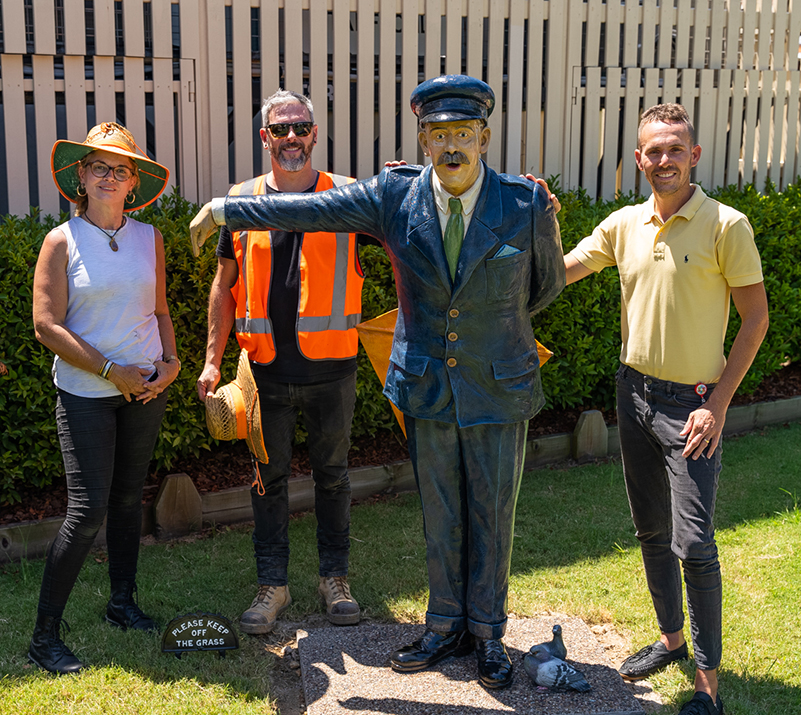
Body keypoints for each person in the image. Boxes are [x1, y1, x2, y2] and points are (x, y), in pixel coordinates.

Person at [190, 75, 565, 689]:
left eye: (462, 134)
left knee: (492, 513)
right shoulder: (395, 197)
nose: (451, 147)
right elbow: (309, 208)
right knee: (440, 512)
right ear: (422, 138)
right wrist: (230, 208)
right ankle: (445, 626)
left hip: (498, 383)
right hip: (425, 385)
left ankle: (489, 633)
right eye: (438, 134)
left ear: (485, 136)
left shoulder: (524, 204)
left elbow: (543, 287)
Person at [563, 103, 768, 715]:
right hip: (634, 396)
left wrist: (720, 406)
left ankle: (708, 685)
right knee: (650, 529)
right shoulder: (623, 224)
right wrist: (539, 216)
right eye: (653, 151)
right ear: (638, 159)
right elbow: (563, 269)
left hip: (694, 409)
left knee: (696, 542)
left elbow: (756, 319)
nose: (663, 160)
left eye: (674, 149)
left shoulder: (726, 225)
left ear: (694, 155)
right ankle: (671, 641)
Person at [195, 90, 363, 635]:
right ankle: (274, 585)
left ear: (315, 134)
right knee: (267, 481)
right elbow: (224, 285)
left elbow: (413, 235)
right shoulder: (239, 201)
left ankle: (334, 579)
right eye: (280, 130)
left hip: (332, 370)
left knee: (333, 478)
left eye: (300, 128)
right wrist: (211, 362)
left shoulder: (349, 196)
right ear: (264, 137)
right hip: (262, 372)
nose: (291, 138)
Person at [31, 122, 179, 674]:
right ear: (81, 177)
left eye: (120, 168)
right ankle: (44, 636)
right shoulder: (62, 240)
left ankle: (122, 603)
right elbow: (47, 326)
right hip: (87, 394)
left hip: (144, 392)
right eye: (99, 167)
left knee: (125, 501)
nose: (110, 176)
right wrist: (113, 370)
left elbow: (160, 310)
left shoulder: (149, 238)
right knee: (87, 510)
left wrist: (171, 362)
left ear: (134, 180)